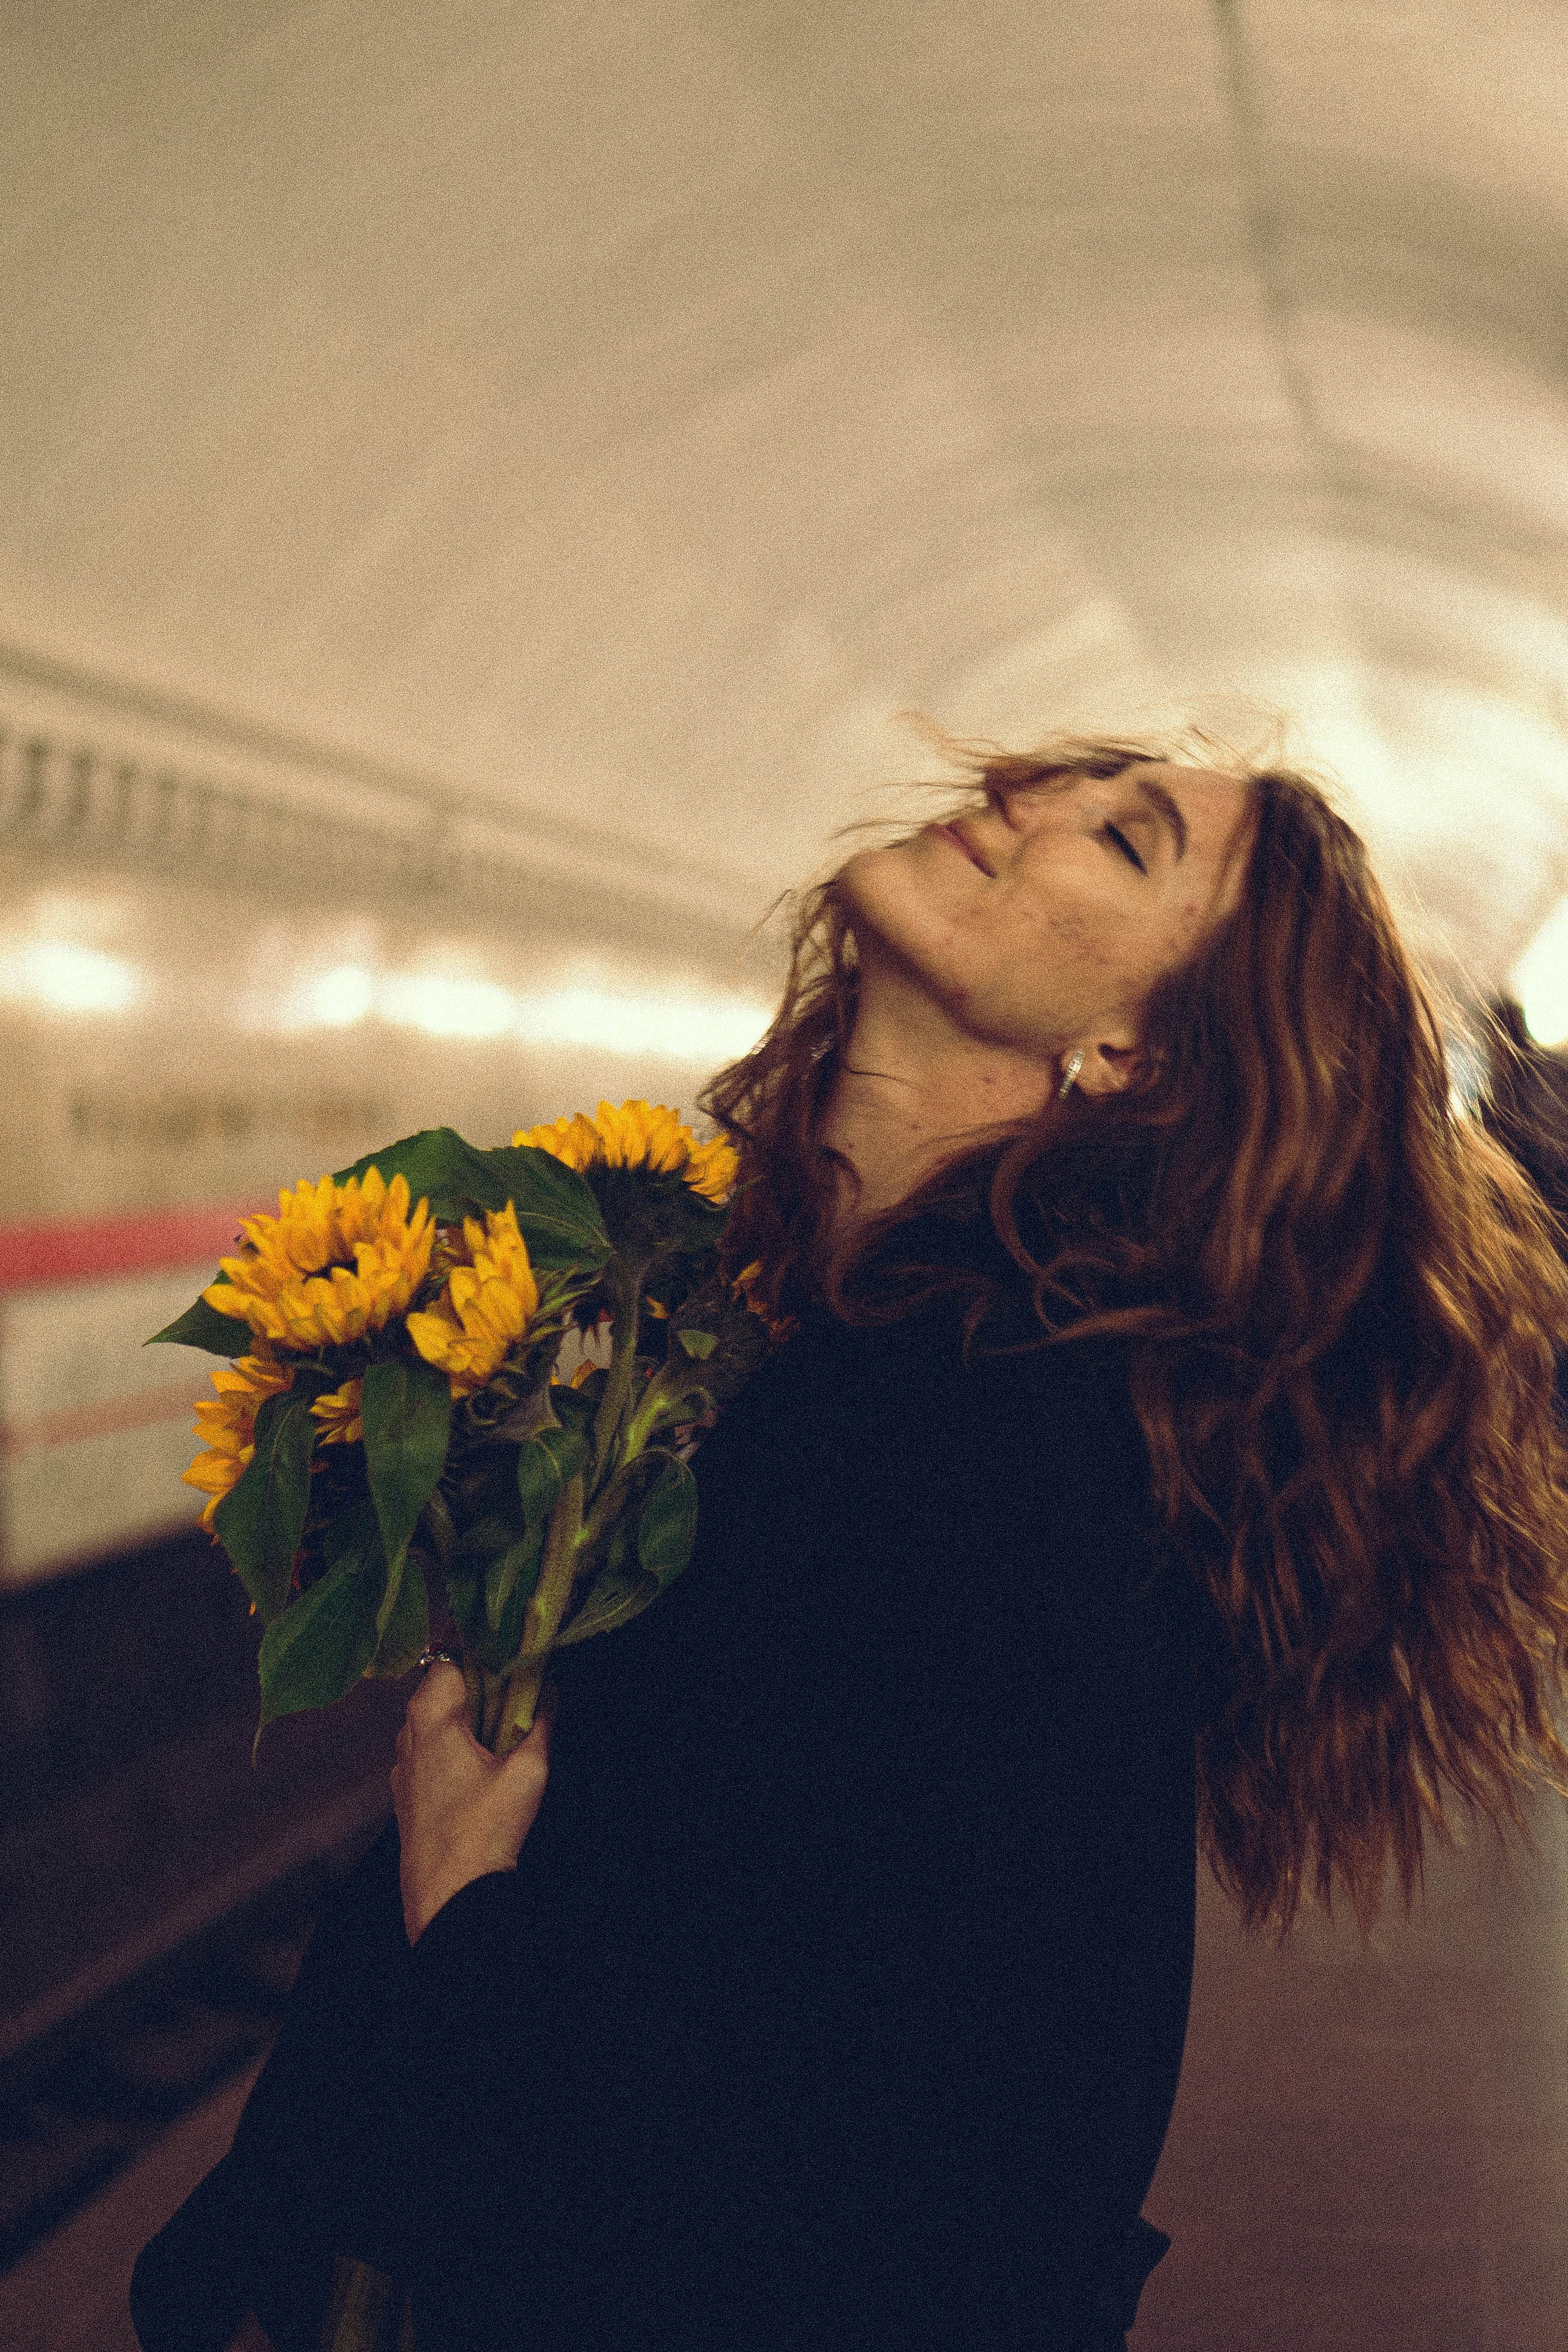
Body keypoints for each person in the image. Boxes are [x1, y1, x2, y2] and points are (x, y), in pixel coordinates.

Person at [130, 729, 1568, 2352]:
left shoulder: (986, 1432)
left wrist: (466, 1899)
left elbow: (939, 2180)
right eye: (1059, 782)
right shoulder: (849, 1350)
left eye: (1128, 840)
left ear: (1131, 1058)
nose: (1026, 803)